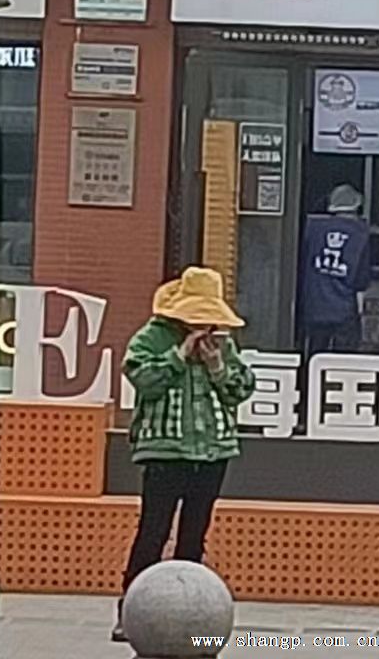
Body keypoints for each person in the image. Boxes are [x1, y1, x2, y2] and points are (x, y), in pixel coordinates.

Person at [115, 266, 255, 643]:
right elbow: (143, 379)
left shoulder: (223, 343)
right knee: (153, 530)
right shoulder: (152, 337)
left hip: (212, 451)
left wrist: (216, 366)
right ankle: (131, 609)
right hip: (164, 450)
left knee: (194, 533)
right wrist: (179, 355)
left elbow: (241, 390)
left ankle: (190, 612)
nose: (203, 325)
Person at [299, 183, 373, 355]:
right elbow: (361, 279)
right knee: (343, 358)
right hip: (344, 309)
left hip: (314, 305)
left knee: (314, 355)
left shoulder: (313, 228)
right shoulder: (360, 233)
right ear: (356, 207)